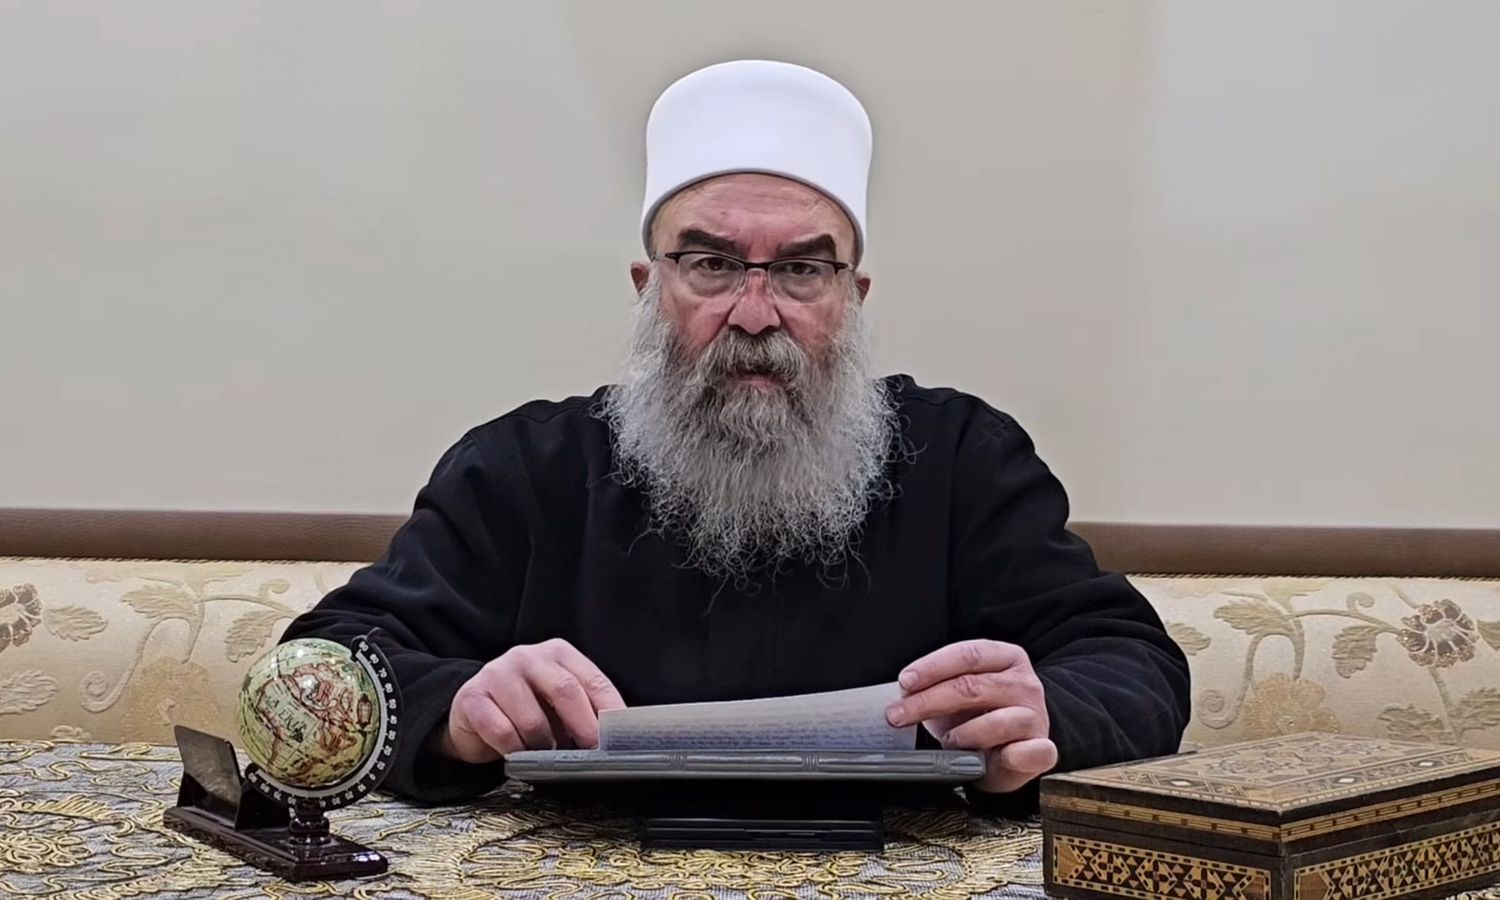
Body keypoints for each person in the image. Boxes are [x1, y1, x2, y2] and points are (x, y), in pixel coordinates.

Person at [282, 59, 1190, 812]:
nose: (756, 314)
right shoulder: (524, 470)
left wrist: (1044, 713)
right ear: (649, 287)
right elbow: (326, 664)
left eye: (801, 269)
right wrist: (457, 710)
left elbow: (1133, 663)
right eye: (712, 263)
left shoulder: (961, 460)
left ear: (853, 298)